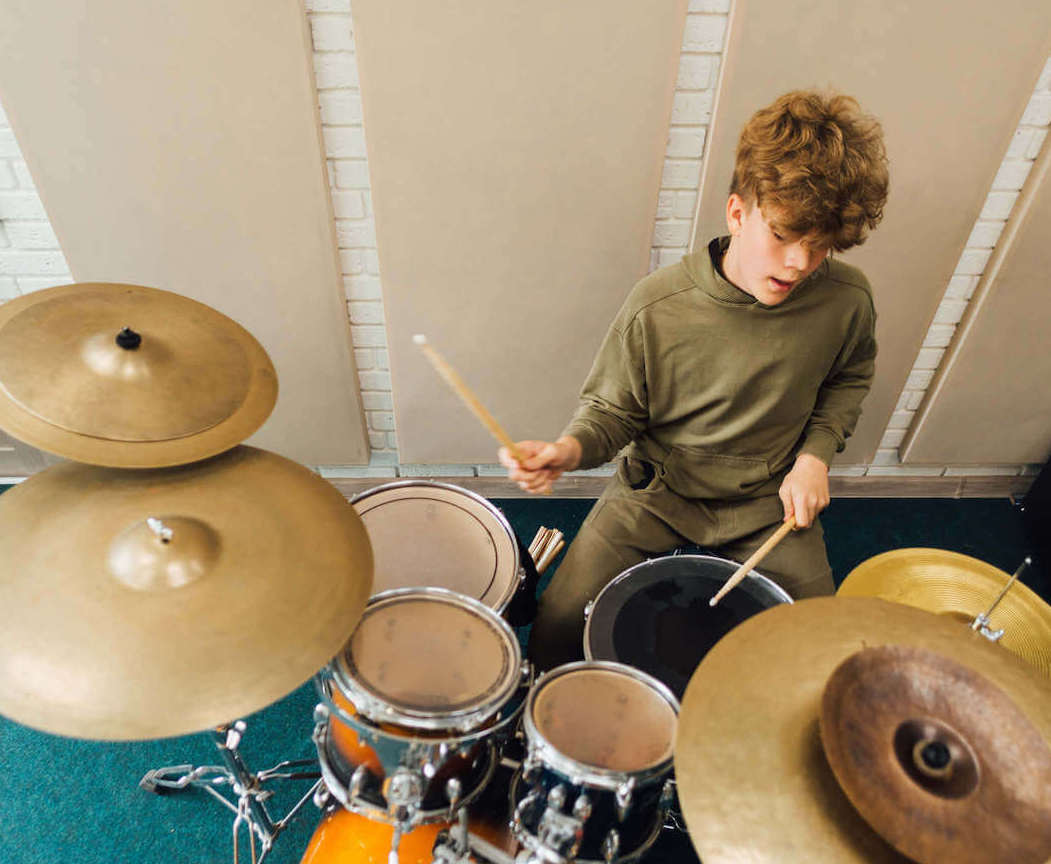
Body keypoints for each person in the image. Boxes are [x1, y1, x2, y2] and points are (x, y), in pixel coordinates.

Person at [501, 90, 889, 670]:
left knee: (820, 644)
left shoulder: (848, 299)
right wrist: (568, 450)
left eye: (821, 246)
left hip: (767, 499)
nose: (799, 264)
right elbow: (613, 412)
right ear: (738, 213)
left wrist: (815, 457)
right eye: (783, 236)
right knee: (558, 621)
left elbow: (849, 378)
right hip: (658, 491)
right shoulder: (658, 306)